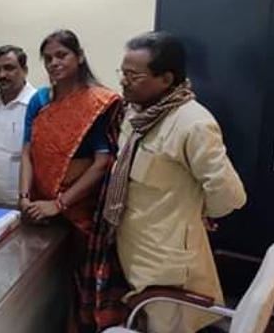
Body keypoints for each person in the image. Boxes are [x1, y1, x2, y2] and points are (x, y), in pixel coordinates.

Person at [104, 31, 246, 333]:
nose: (124, 81)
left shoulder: (192, 123)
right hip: (134, 248)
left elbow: (230, 195)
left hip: (167, 261)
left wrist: (199, 211)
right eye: (123, 73)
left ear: (166, 79)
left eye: (133, 76)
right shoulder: (137, 113)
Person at [18, 29, 128, 331]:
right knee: (39, 284)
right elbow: (27, 152)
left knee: (73, 284)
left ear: (79, 57)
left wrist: (59, 203)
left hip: (78, 210)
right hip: (38, 207)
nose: (54, 63)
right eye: (48, 58)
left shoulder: (98, 102)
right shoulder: (40, 99)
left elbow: (102, 163)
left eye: (61, 55)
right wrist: (24, 197)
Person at [0, 45, 35, 203]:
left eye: (9, 68)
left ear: (25, 70)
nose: (2, 75)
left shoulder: (36, 105)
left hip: (21, 199)